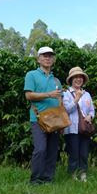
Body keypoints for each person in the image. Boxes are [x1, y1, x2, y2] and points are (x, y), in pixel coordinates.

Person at [23, 46, 63, 185]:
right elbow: (28, 95)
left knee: (52, 150)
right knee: (40, 149)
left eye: (50, 56)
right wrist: (48, 94)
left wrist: (62, 121)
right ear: (38, 59)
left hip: (55, 120)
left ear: (53, 59)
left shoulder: (56, 80)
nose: (47, 58)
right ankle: (35, 179)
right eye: (44, 56)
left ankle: (48, 178)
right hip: (38, 118)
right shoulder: (31, 75)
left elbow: (60, 100)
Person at [63, 67, 95, 182]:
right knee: (74, 154)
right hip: (71, 129)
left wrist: (90, 116)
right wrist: (76, 98)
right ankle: (72, 175)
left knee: (84, 153)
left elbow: (92, 110)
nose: (78, 79)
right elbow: (66, 110)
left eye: (80, 77)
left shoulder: (87, 94)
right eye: (75, 77)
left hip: (84, 128)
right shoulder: (66, 94)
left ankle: (83, 174)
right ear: (71, 79)